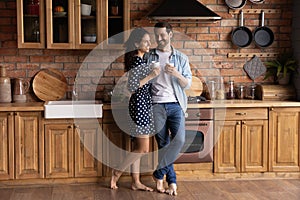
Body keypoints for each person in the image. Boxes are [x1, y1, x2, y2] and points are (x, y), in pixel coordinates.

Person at [110, 27, 160, 191]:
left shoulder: (141, 60)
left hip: (143, 104)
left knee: (137, 146)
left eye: (149, 40)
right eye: (145, 41)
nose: (149, 43)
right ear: (137, 43)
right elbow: (132, 86)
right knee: (143, 148)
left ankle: (136, 181)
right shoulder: (136, 61)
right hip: (139, 106)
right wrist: (151, 76)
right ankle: (116, 172)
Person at [146, 22, 192, 196]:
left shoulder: (181, 58)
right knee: (164, 144)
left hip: (175, 105)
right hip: (157, 104)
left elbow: (187, 83)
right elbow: (142, 80)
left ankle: (159, 174)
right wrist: (151, 75)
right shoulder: (149, 56)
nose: (159, 39)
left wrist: (176, 74)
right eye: (156, 35)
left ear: (170, 34)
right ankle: (172, 181)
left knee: (179, 141)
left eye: (162, 35)